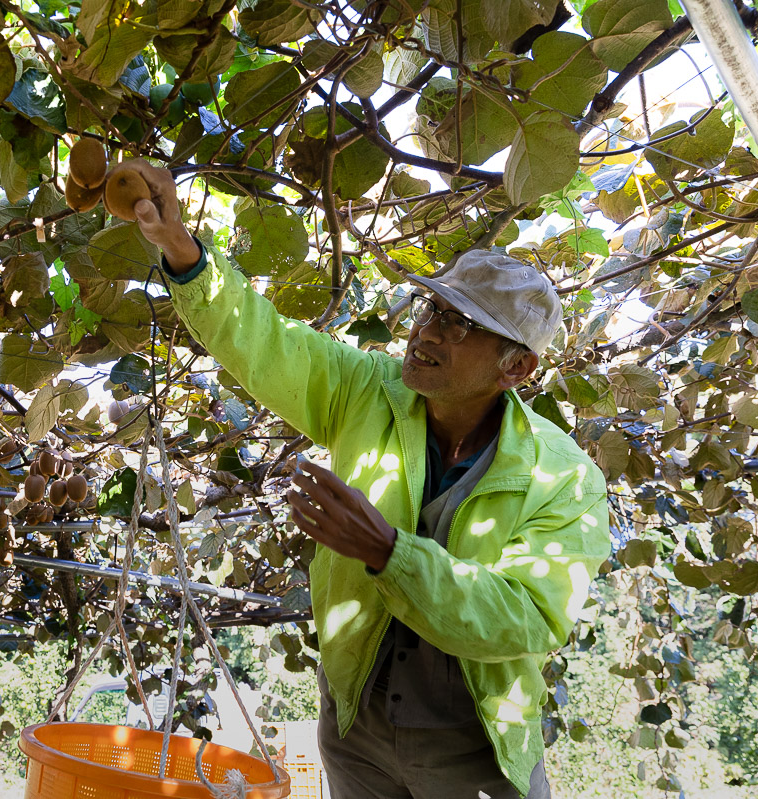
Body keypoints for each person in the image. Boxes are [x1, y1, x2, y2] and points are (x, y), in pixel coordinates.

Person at [124, 160, 612, 799]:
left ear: (516, 368)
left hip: (476, 749)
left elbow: (527, 619)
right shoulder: (366, 389)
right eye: (433, 309)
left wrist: (388, 552)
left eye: (460, 326)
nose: (426, 333)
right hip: (357, 730)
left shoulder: (564, 477)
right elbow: (267, 344)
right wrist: (181, 250)